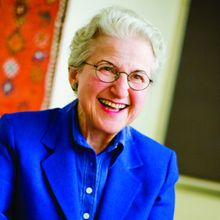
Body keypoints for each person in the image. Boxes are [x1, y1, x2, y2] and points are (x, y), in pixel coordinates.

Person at [0, 6, 179, 220]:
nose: (121, 90)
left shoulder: (160, 166)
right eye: (107, 69)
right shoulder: (16, 135)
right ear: (75, 74)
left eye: (137, 77)